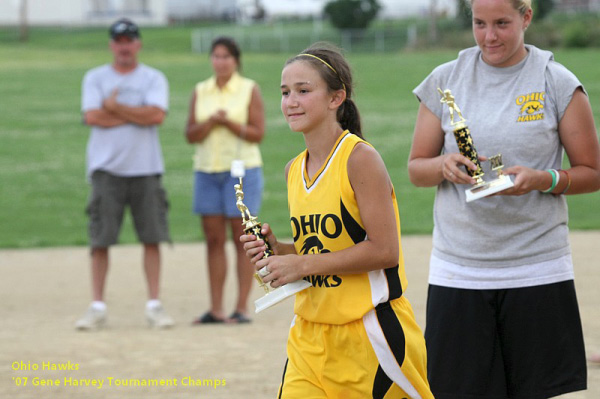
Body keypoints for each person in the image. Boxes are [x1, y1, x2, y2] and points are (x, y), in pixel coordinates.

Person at [408, 0, 600, 397]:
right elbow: (415, 168)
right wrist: (444, 165)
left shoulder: (556, 81)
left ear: (526, 18)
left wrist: (542, 179)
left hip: (536, 266)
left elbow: (592, 173)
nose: (489, 36)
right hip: (459, 269)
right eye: (479, 23)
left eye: (501, 23)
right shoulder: (445, 79)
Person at [241, 43, 434, 399]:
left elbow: (385, 251)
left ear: (336, 98)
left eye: (303, 90)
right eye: (285, 92)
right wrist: (279, 250)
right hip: (309, 335)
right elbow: (324, 248)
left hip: (368, 333)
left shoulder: (359, 159)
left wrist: (300, 263)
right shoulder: (293, 170)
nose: (290, 101)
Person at [76, 18, 174, 330]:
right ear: (111, 45)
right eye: (119, 41)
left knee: (152, 237)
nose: (124, 46)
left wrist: (114, 108)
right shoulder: (95, 77)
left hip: (145, 168)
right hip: (107, 169)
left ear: (138, 44)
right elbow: (93, 116)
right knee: (100, 239)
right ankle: (97, 305)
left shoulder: (153, 78)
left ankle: (154, 305)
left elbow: (156, 115)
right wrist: (136, 114)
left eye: (129, 40)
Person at [185, 36, 265, 324]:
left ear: (236, 60)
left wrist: (227, 122)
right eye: (216, 56)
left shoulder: (248, 89)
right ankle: (216, 307)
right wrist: (210, 122)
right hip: (207, 170)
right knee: (213, 239)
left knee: (240, 237)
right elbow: (190, 134)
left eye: (226, 56)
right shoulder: (200, 90)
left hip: (241, 170)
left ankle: (241, 307)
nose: (220, 62)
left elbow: (258, 132)